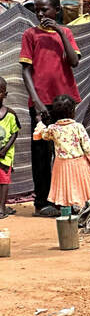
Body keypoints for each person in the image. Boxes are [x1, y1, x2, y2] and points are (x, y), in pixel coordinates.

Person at [20, 0, 81, 217]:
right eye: (37, 10)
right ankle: (42, 202)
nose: (40, 14)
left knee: (67, 153)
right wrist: (36, 102)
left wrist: (59, 31)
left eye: (44, 9)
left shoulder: (65, 33)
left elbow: (73, 61)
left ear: (57, 10)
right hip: (41, 104)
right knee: (41, 154)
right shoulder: (30, 35)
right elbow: (26, 70)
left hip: (65, 103)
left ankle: (66, 199)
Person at [31, 94, 90, 216]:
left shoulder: (53, 129)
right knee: (80, 186)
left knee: (65, 187)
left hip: (61, 166)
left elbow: (42, 134)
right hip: (79, 164)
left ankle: (66, 211)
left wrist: (39, 120)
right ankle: (82, 209)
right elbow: (87, 146)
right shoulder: (78, 127)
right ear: (72, 111)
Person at [0, 78, 20, 218]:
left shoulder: (11, 114)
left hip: (4, 156)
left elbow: (15, 132)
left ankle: (1, 208)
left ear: (5, 94)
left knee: (3, 182)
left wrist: (5, 149)